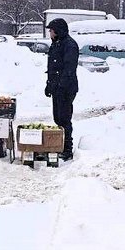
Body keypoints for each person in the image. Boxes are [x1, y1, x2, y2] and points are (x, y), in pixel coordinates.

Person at [45, 17, 79, 161]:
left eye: (51, 31)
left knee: (65, 118)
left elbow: (69, 68)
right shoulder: (56, 44)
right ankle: (59, 144)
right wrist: (49, 84)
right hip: (56, 87)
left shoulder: (69, 45)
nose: (50, 33)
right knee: (57, 118)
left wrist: (61, 86)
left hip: (66, 88)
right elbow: (52, 68)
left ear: (58, 31)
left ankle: (67, 149)